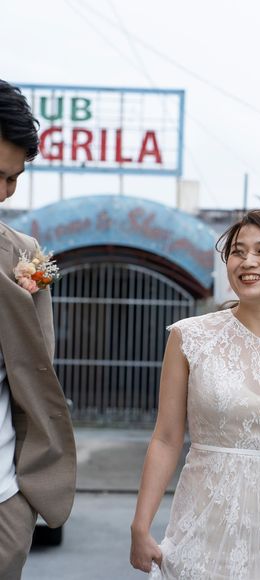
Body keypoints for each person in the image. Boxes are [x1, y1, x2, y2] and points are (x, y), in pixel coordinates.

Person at [131, 209, 260, 579]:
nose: (247, 261)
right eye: (238, 251)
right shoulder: (190, 337)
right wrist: (141, 525)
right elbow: (166, 438)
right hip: (201, 529)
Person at [0, 80, 76, 579]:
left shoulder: (24, 254)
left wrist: (21, 504)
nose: (3, 192)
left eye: (13, 179)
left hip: (4, 497)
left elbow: (37, 372)